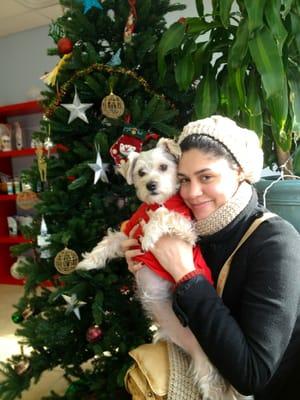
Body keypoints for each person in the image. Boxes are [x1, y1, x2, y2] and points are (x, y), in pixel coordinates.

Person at [123, 115, 300, 400]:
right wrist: (151, 271)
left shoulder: (277, 244)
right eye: (183, 180)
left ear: (240, 171)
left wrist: (185, 274)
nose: (192, 193)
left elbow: (252, 376)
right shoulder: (193, 227)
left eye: (206, 177)